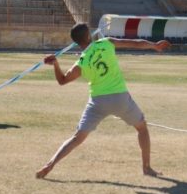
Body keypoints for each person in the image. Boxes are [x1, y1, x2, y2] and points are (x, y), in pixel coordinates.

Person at [36, 23, 170, 179]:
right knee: (142, 128)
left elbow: (63, 80)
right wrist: (155, 46)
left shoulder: (82, 61)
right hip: (120, 98)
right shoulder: (106, 42)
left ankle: (50, 165)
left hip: (98, 101)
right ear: (88, 36)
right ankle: (147, 168)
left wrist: (56, 64)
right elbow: (135, 43)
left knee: (77, 138)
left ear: (77, 42)